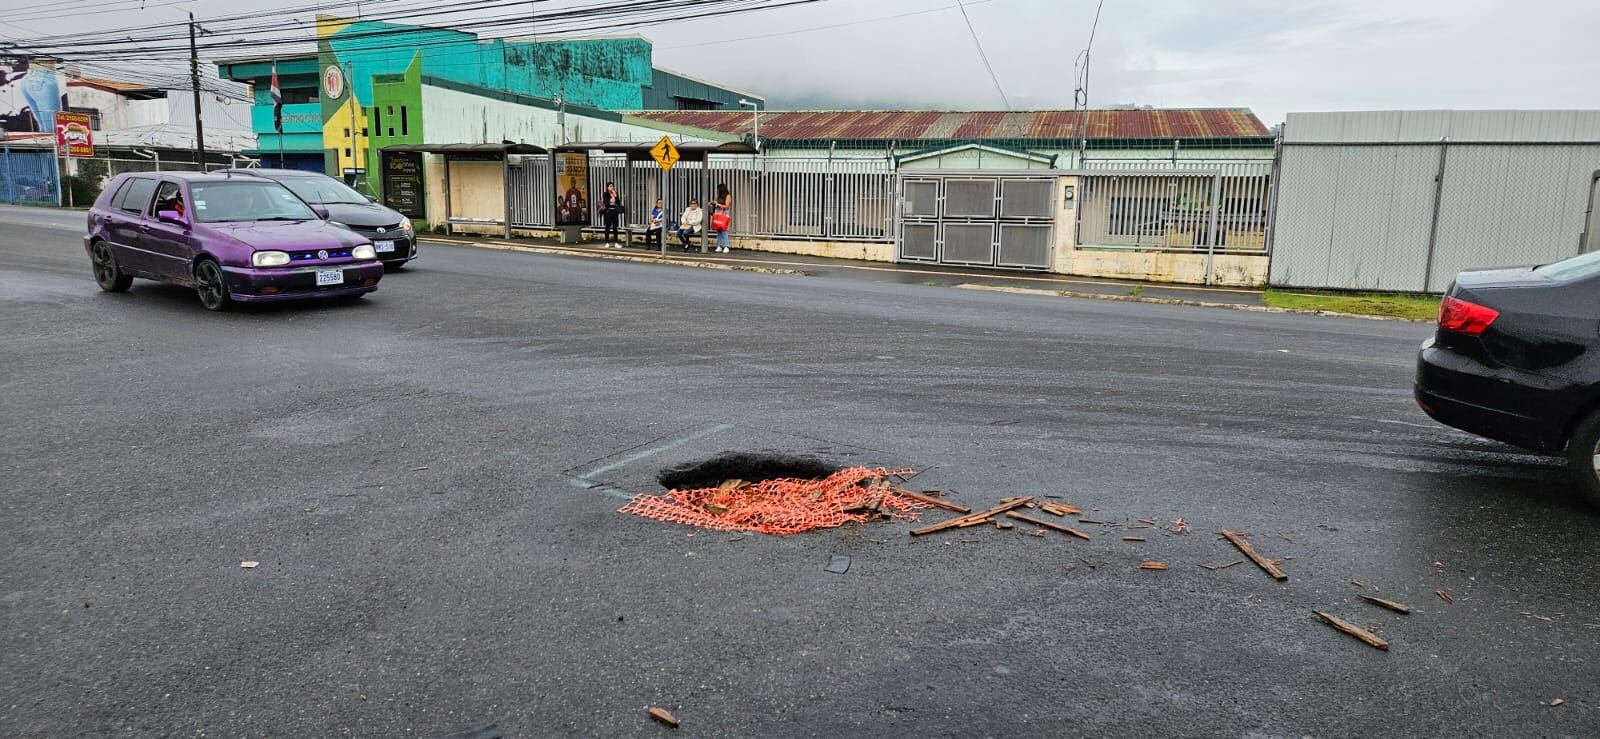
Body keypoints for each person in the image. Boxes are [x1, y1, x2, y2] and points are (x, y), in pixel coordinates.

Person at [600, 182, 624, 248]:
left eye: (612, 186)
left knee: (615, 228)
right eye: (610, 186)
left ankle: (616, 243)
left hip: (614, 211)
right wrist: (611, 197)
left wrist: (615, 196)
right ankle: (607, 242)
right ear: (607, 187)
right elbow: (606, 203)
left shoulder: (615, 193)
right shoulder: (605, 194)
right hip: (608, 212)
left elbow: (618, 203)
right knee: (607, 227)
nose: (611, 187)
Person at [710, 183, 733, 253]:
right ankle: (719, 246)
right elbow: (716, 202)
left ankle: (726, 246)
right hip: (718, 213)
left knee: (723, 230)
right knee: (718, 230)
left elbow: (727, 206)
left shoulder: (728, 196)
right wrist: (713, 203)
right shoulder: (718, 196)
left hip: (724, 214)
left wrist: (718, 204)